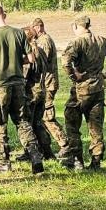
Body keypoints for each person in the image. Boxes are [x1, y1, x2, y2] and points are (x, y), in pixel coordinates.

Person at [0, 5, 44, 173]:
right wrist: (17, 63)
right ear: (3, 15)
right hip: (19, 85)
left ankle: (4, 162)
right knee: (23, 121)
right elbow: (31, 58)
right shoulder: (19, 33)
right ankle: (35, 156)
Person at [61, 15, 106, 172]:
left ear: (76, 27)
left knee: (72, 124)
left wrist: (75, 77)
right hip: (98, 89)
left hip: (82, 89)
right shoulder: (101, 40)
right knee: (96, 127)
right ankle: (96, 161)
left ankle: (77, 160)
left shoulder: (77, 42)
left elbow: (65, 62)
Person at [32, 17, 67, 156]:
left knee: (47, 116)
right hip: (45, 83)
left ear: (39, 27)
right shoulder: (41, 40)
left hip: (47, 83)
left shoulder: (44, 41)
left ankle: (64, 143)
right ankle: (44, 146)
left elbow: (42, 62)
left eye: (34, 28)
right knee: (41, 117)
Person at [22, 26, 53, 160]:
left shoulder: (29, 53)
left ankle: (30, 152)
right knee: (38, 123)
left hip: (31, 92)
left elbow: (25, 75)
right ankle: (47, 152)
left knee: (27, 123)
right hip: (42, 90)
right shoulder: (40, 50)